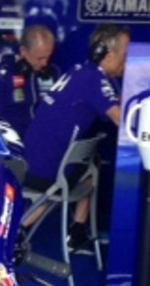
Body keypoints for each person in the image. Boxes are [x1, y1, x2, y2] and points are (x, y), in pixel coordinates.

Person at [21, 23, 126, 253]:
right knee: (87, 168)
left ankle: (75, 232)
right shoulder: (95, 80)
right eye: (124, 55)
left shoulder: (81, 70)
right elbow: (124, 121)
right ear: (108, 55)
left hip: (33, 159)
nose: (126, 61)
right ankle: (20, 232)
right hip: (47, 172)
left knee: (91, 160)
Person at [0, 22, 60, 137]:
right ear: (23, 51)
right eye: (40, 58)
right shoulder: (3, 75)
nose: (45, 63)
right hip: (13, 141)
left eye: (48, 57)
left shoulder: (53, 73)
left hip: (44, 140)